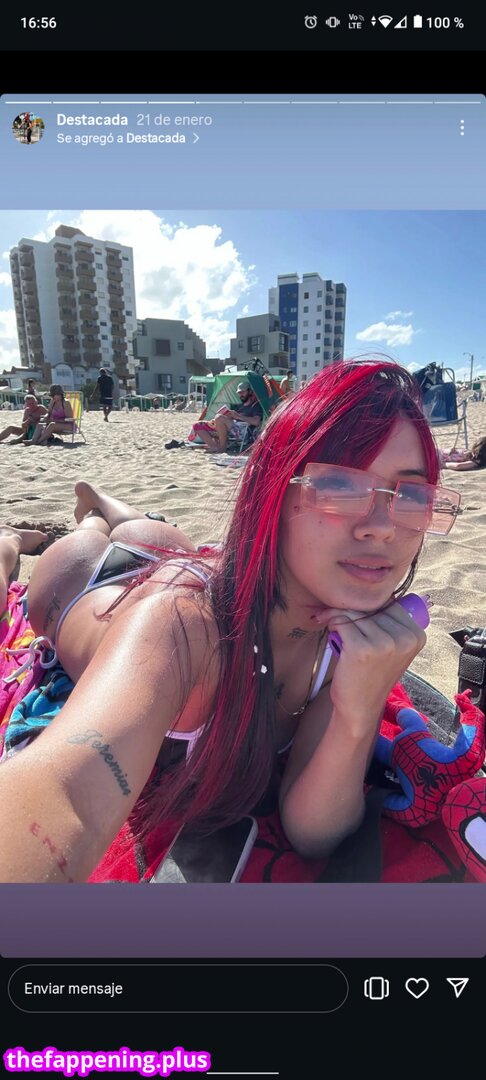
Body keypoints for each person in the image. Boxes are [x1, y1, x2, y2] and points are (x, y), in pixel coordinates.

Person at [0, 360, 467, 883]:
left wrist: (359, 709)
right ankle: (40, 530)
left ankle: (109, 508)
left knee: (150, 533)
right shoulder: (184, 628)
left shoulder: (348, 632)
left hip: (183, 557)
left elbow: (313, 831)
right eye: (339, 485)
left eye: (411, 495)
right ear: (274, 488)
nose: (381, 528)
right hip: (84, 585)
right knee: (71, 546)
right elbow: (67, 795)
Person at [191, 380, 263, 452]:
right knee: (198, 425)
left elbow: (256, 422)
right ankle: (213, 446)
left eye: (243, 392)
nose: (241, 395)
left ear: (250, 392)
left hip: (243, 432)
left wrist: (238, 416)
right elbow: (230, 419)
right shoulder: (239, 406)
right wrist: (216, 421)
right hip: (229, 428)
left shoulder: (255, 406)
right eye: (239, 393)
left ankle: (222, 447)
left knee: (219, 417)